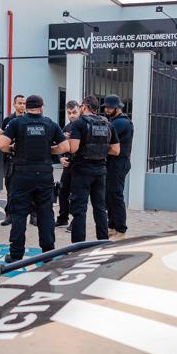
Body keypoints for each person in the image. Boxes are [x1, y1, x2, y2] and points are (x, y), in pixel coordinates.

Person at [0, 94, 69, 262]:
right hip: (44, 176)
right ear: (41, 108)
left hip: (22, 176)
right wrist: (48, 150)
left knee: (19, 214)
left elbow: (1, 144)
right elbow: (65, 146)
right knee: (46, 214)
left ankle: (16, 255)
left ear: (26, 107)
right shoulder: (50, 124)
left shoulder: (16, 123)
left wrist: (13, 148)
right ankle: (48, 253)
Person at [64, 95, 117, 244]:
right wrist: (100, 149)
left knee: (79, 209)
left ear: (84, 107)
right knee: (100, 207)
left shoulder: (79, 124)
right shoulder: (107, 124)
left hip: (82, 171)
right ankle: (103, 241)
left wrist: (67, 139)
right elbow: (116, 150)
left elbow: (73, 149)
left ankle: (79, 245)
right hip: (100, 171)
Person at [103, 94, 134, 240]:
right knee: (110, 196)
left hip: (118, 163)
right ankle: (113, 226)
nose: (107, 110)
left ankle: (121, 230)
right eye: (106, 107)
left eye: (109, 107)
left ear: (117, 107)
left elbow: (104, 137)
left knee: (115, 196)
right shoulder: (116, 121)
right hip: (114, 163)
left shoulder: (120, 123)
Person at [0, 94, 27, 225]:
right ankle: (9, 215)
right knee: (10, 187)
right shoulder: (8, 119)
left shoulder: (28, 119)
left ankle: (34, 215)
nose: (22, 105)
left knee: (29, 187)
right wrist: (8, 142)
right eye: (20, 103)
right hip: (11, 158)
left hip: (26, 159)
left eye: (24, 103)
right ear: (14, 105)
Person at [55, 100, 80, 228]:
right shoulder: (66, 127)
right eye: (69, 113)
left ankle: (75, 221)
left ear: (79, 110)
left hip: (79, 166)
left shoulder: (83, 126)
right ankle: (63, 218)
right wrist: (61, 159)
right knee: (63, 192)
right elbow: (60, 146)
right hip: (67, 165)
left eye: (74, 112)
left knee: (76, 195)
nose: (72, 115)